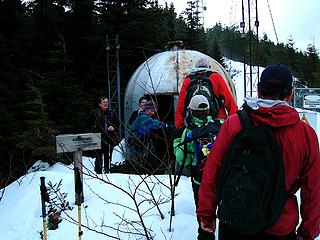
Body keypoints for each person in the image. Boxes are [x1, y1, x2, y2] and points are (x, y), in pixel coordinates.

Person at [197, 64, 320, 240]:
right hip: (280, 225)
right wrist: (307, 232)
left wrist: (206, 219)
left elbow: (212, 173)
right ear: (290, 94)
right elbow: (313, 188)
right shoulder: (306, 134)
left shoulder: (233, 124)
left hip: (235, 218)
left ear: (259, 90)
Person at [173, 94, 221, 240]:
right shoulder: (219, 127)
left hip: (201, 182)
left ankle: (206, 234)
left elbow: (183, 159)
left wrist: (176, 142)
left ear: (191, 111)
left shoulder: (190, 132)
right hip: (220, 180)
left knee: (204, 214)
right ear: (208, 110)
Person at [175, 58, 238, 129]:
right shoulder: (215, 77)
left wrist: (179, 127)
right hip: (217, 120)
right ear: (209, 67)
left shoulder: (188, 80)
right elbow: (229, 101)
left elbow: (181, 104)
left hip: (196, 121)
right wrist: (234, 123)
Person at [129, 100, 173, 174]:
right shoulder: (143, 117)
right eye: (151, 110)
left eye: (154, 110)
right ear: (146, 109)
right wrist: (166, 125)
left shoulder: (143, 116)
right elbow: (154, 123)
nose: (153, 112)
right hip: (139, 143)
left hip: (141, 142)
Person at [92, 97, 119, 174]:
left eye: (107, 102)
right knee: (98, 156)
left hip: (109, 137)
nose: (106, 103)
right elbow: (91, 125)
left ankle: (107, 170)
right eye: (104, 102)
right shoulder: (96, 113)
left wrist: (113, 127)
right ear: (100, 104)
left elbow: (117, 124)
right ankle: (98, 171)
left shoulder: (111, 113)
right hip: (98, 137)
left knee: (108, 155)